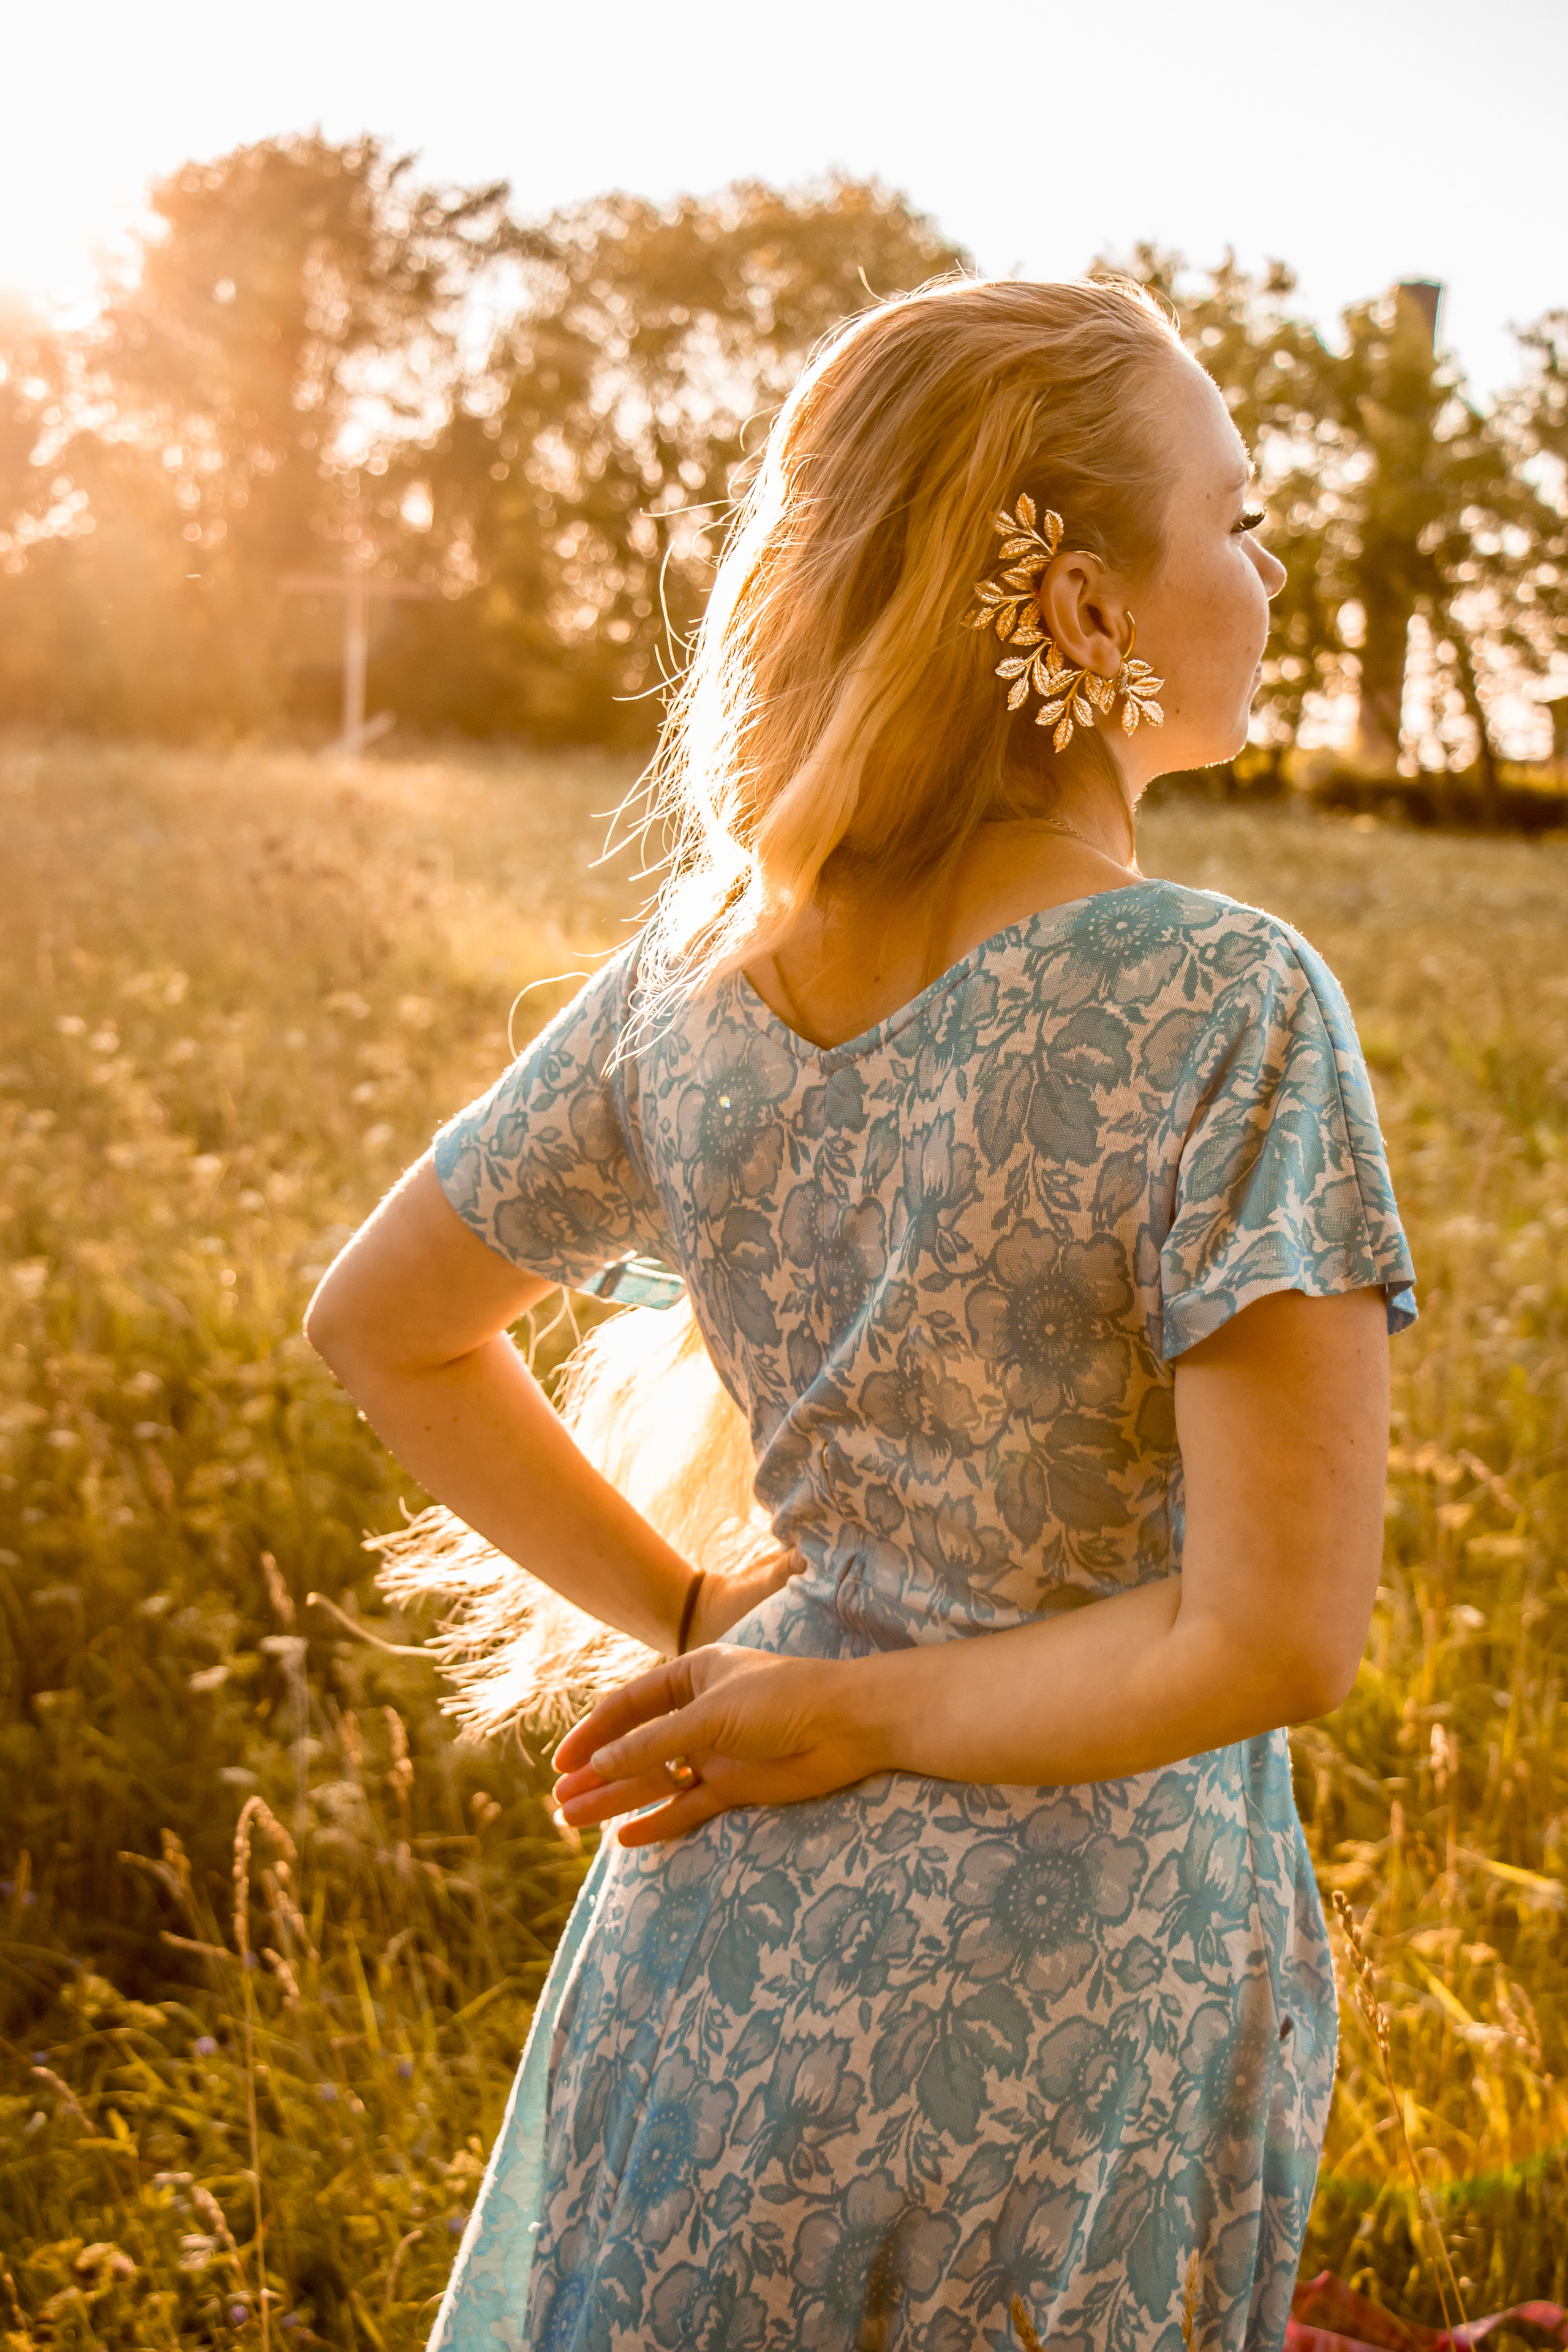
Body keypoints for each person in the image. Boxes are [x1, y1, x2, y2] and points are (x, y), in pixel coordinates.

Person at [305, 274, 1416, 2352]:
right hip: (1072, 1991)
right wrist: (843, 1701)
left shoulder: (703, 984)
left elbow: (386, 1322)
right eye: (1241, 517)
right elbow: (1277, 1634)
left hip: (722, 1940)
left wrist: (722, 1634)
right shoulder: (1224, 999)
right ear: (1081, 607)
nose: (1271, 570)